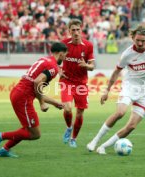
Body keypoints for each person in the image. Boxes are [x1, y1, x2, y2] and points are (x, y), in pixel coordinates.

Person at [86, 25, 145, 154]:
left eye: (143, 41)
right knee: (120, 113)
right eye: (137, 40)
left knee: (131, 126)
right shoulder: (127, 54)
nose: (140, 43)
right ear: (132, 38)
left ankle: (103, 147)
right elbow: (116, 72)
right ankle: (94, 141)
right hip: (130, 87)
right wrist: (106, 91)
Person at [0, 42, 67, 157]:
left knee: (27, 128)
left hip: (18, 93)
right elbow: (37, 82)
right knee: (35, 134)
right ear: (60, 53)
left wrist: (55, 103)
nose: (65, 57)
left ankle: (5, 149)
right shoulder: (53, 66)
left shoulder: (45, 60)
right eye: (65, 54)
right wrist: (42, 103)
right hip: (23, 97)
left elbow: (37, 90)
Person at [60, 19, 95, 148]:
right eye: (73, 30)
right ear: (69, 31)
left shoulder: (88, 45)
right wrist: (59, 71)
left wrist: (86, 65)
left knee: (80, 112)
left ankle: (73, 139)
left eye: (78, 30)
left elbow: (92, 66)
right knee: (68, 108)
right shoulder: (63, 44)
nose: (76, 32)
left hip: (81, 84)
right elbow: (55, 61)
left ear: (81, 30)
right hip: (66, 81)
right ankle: (69, 127)